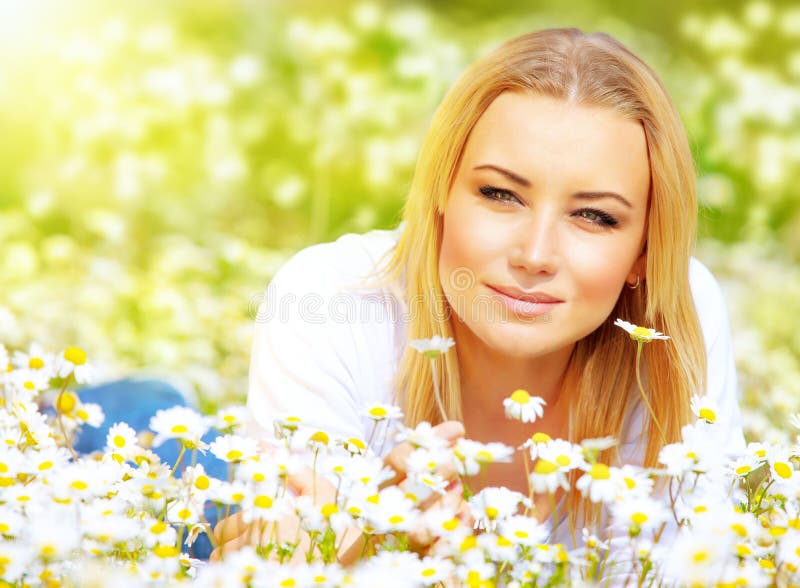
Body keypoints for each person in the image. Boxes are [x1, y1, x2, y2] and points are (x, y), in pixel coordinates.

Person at [214, 27, 745, 559]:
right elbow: (291, 562)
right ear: (440, 190)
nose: (535, 255)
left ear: (644, 254)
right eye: (500, 194)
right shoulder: (331, 298)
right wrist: (371, 549)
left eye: (593, 216)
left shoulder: (676, 322)